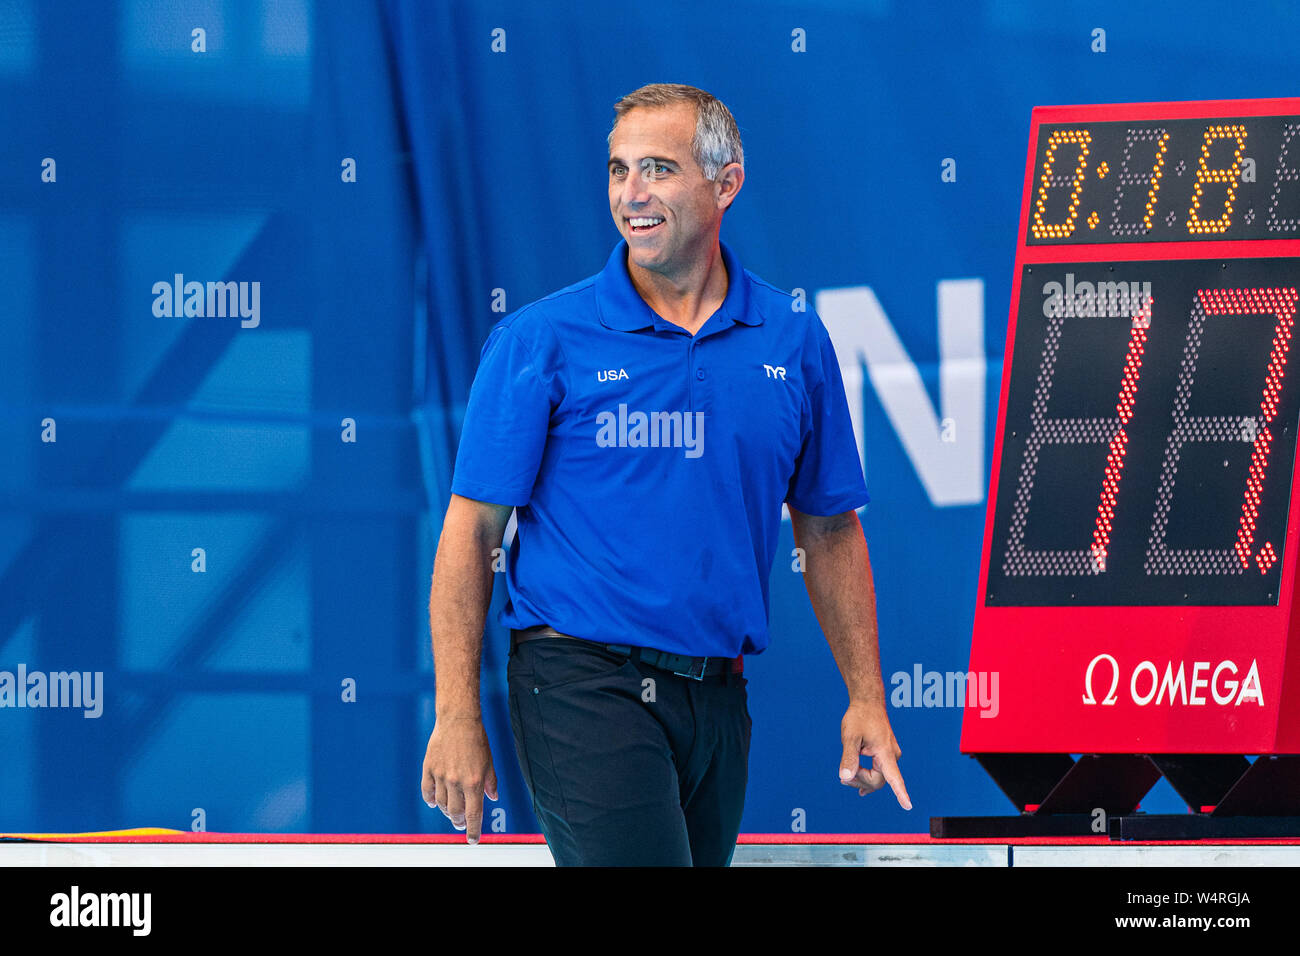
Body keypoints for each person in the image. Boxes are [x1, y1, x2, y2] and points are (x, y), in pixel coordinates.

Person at [420, 83, 909, 866]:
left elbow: (828, 528)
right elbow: (472, 532)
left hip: (719, 695)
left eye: (657, 169)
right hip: (579, 683)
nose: (631, 195)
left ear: (726, 182)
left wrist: (866, 696)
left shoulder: (793, 337)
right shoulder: (540, 339)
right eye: (618, 171)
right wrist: (455, 715)